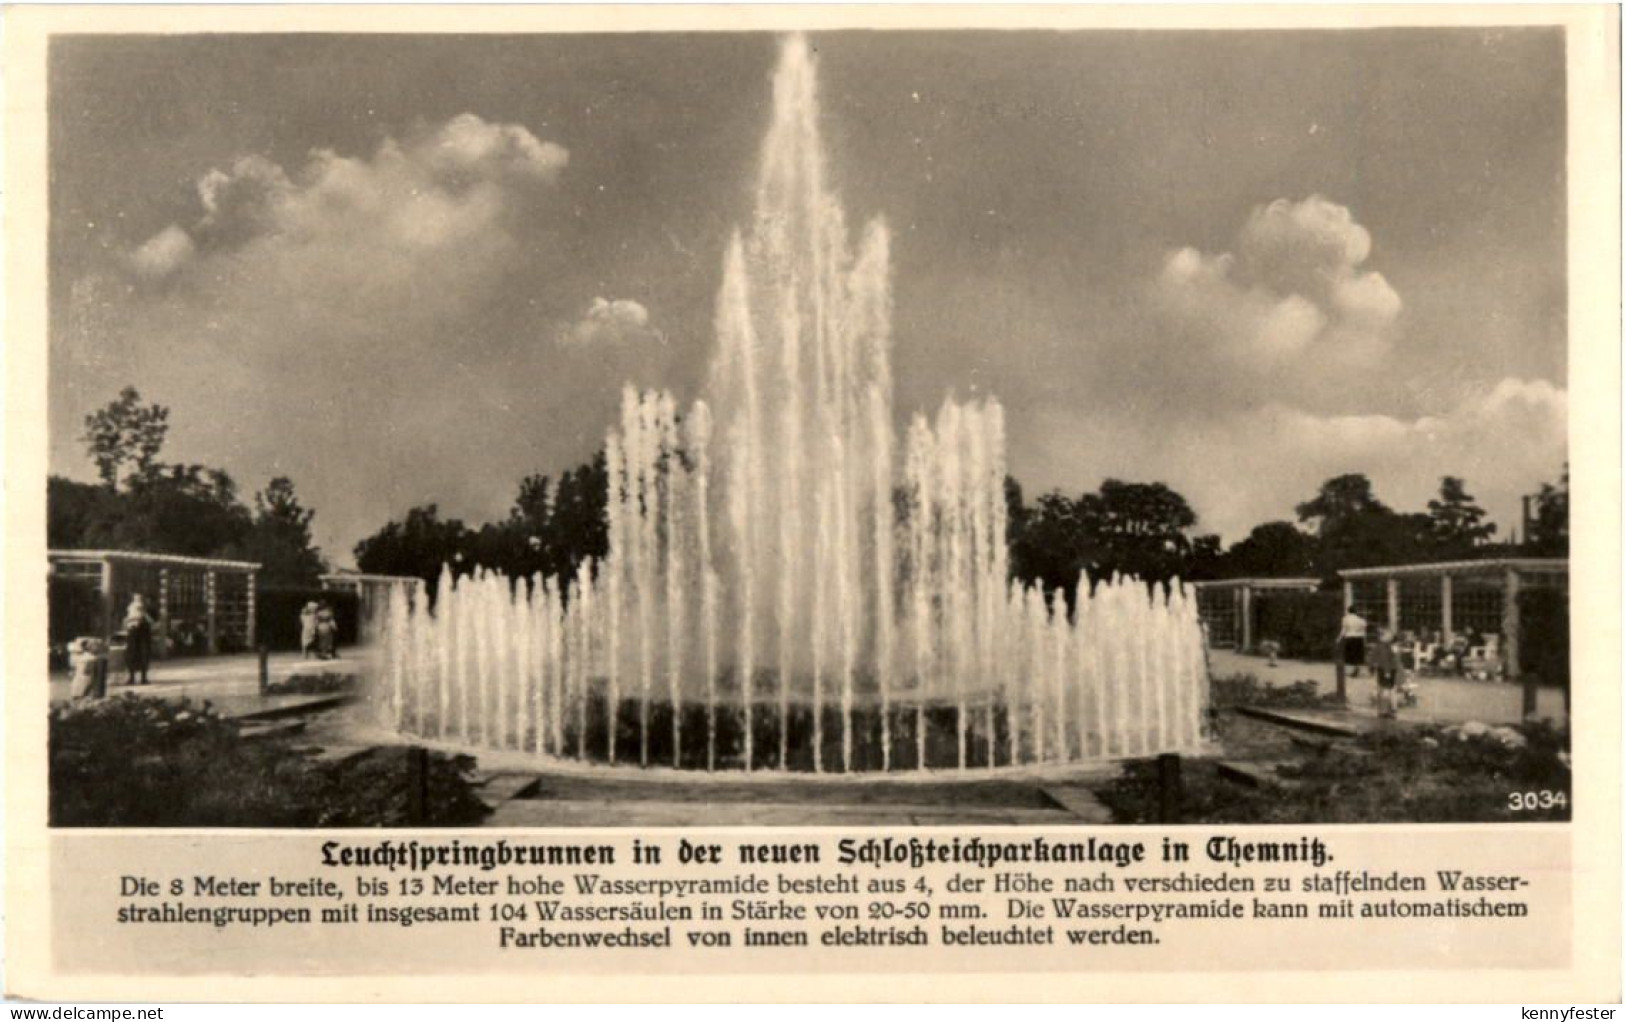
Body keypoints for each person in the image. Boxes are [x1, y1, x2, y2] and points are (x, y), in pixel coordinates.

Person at [123, 594, 155, 686]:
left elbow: (153, 622)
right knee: (131, 654)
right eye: (136, 598)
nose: (138, 600)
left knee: (144, 655)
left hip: (144, 635)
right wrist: (130, 620)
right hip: (133, 634)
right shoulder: (130, 609)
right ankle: (132, 677)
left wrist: (144, 615)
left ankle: (143, 678)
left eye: (140, 598)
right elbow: (125, 621)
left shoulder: (148, 609)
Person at [68, 636, 107, 701]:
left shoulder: (79, 656)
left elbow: (73, 666)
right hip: (84, 675)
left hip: (81, 675)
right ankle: (82, 695)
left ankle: (79, 695)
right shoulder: (90, 657)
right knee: (85, 682)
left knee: (82, 683)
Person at [1337, 606, 1368, 678]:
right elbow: (1363, 631)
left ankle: (1351, 671)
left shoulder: (1345, 619)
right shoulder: (1361, 620)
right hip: (1359, 638)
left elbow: (1344, 630)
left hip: (1350, 637)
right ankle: (1356, 669)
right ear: (1356, 611)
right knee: (1357, 654)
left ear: (1348, 611)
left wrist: (1339, 638)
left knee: (1350, 654)